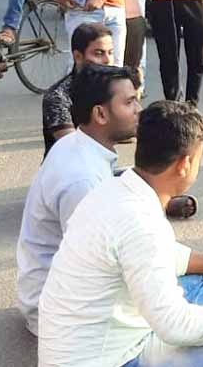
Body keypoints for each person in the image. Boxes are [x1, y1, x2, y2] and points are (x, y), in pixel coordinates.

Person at [37, 101, 203, 366]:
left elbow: (164, 256)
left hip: (92, 339)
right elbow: (175, 324)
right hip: (108, 359)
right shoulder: (142, 222)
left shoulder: (115, 190)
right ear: (184, 164)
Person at [17, 63, 141, 336]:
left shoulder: (77, 145)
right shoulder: (82, 179)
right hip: (61, 313)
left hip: (54, 294)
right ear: (100, 113)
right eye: (130, 102)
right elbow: (96, 263)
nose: (138, 110)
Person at [41, 23, 115, 154]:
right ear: (78, 57)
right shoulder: (59, 96)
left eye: (111, 53)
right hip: (66, 171)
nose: (107, 60)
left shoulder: (112, 88)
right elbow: (73, 149)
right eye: (99, 53)